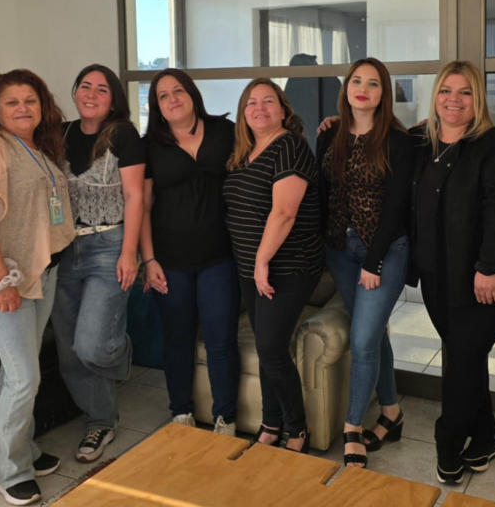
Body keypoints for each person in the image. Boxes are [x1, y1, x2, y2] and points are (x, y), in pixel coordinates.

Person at [0, 70, 75, 506]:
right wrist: (0, 280)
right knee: (25, 376)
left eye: (30, 100)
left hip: (40, 273)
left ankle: (12, 450)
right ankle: (11, 471)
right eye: (12, 102)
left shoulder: (38, 148)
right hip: (6, 279)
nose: (23, 108)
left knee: (17, 373)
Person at [409, 61, 495, 484]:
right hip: (436, 275)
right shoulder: (422, 143)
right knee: (467, 358)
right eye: (446, 91)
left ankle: (448, 441)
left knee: (460, 360)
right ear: (435, 96)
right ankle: (486, 435)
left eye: (465, 92)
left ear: (479, 100)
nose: (453, 100)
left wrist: (489, 267)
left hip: (483, 279)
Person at [316, 58, 413, 469]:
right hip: (340, 250)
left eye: (373, 83)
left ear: (383, 93)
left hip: (384, 252)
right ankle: (391, 413)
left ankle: (352, 427)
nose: (363, 89)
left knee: (362, 340)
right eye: (356, 81)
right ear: (346, 88)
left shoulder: (397, 141)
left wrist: (373, 263)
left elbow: (396, 207)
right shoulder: (330, 134)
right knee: (373, 336)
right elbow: (323, 194)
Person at [223, 78, 324, 452]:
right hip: (251, 268)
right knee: (269, 348)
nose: (259, 108)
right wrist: (253, 263)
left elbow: (284, 212)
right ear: (243, 113)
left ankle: (297, 430)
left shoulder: (290, 147)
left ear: (283, 110)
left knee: (270, 349)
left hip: (288, 266)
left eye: (268, 101)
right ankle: (270, 424)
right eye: (251, 102)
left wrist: (262, 260)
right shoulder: (244, 152)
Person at [52, 65, 144, 464]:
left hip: (109, 246)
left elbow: (136, 196)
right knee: (70, 352)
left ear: (113, 99)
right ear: (75, 92)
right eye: (85, 86)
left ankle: (119, 351)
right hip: (64, 250)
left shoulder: (123, 134)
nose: (91, 94)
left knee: (92, 344)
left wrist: (129, 252)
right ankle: (101, 421)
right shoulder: (59, 134)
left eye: (102, 89)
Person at [139, 69, 240, 434]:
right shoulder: (149, 145)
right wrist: (148, 260)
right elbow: (142, 206)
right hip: (170, 261)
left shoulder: (225, 131)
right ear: (156, 106)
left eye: (178, 91)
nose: (172, 99)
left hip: (220, 257)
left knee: (220, 340)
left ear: (192, 94)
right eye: (163, 96)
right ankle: (181, 413)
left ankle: (225, 419)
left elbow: (268, 140)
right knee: (177, 339)